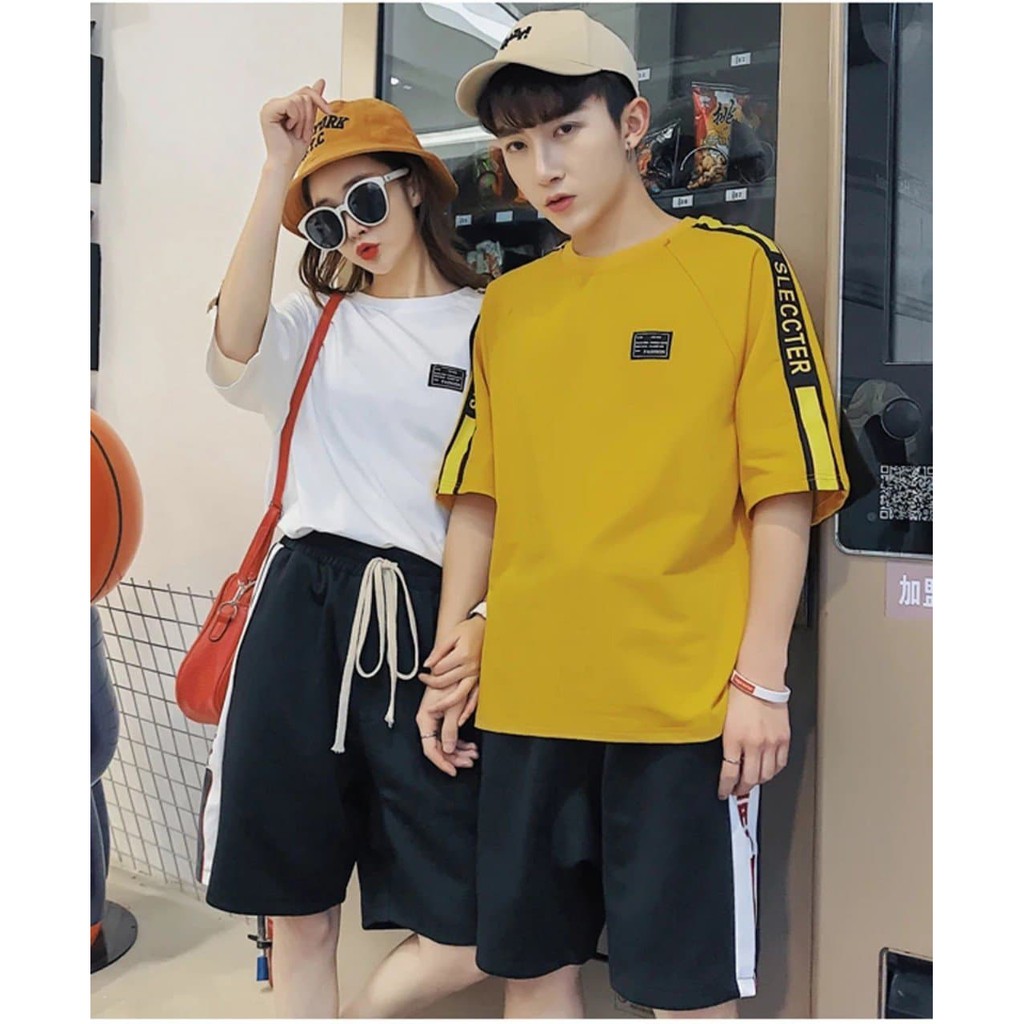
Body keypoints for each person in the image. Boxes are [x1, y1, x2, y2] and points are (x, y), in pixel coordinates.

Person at [416, 10, 850, 1019]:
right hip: (527, 701)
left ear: (633, 124)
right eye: (515, 145)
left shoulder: (740, 269)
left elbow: (782, 489)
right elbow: (481, 496)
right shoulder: (509, 306)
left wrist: (762, 679)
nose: (541, 167)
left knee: (685, 993)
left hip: (680, 707)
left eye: (564, 130)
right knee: (534, 974)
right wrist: (453, 647)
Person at [196, 81, 491, 1018]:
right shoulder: (315, 322)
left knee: (474, 923)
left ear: (415, 186)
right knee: (297, 913)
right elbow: (232, 347)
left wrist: (483, 616)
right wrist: (277, 170)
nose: (352, 230)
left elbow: (516, 496)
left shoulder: (492, 322)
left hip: (430, 616)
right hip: (302, 610)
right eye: (326, 221)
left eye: (365, 199)